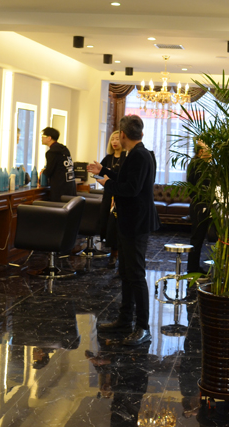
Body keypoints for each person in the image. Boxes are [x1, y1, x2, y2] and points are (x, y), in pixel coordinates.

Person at [88, 115, 157, 347]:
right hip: (129, 222)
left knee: (136, 275)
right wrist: (104, 170)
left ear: (124, 135)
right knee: (126, 273)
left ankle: (143, 327)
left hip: (136, 223)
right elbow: (125, 177)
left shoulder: (140, 156)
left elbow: (130, 189)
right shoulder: (135, 154)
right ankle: (125, 320)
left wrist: (106, 182)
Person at [97, 131, 126, 268]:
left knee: (117, 225)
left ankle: (117, 255)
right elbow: (97, 175)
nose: (114, 142)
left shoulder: (127, 158)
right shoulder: (108, 158)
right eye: (112, 139)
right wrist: (103, 179)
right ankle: (111, 252)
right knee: (106, 223)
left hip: (120, 195)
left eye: (117, 139)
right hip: (108, 195)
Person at [186, 140, 213, 275]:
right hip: (199, 205)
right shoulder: (197, 165)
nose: (211, 152)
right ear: (200, 152)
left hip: (202, 204)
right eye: (208, 149)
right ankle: (192, 268)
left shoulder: (202, 165)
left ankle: (194, 266)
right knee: (197, 238)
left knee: (199, 238)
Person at [40, 127, 75, 202]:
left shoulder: (52, 152)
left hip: (59, 189)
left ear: (49, 138)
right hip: (70, 187)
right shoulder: (64, 149)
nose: (41, 138)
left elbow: (49, 171)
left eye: (43, 136)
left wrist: (44, 171)